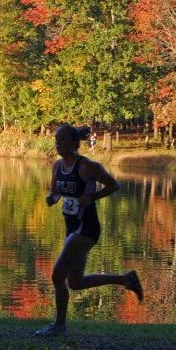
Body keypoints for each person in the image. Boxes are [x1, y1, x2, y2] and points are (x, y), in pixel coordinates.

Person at [35, 124, 143, 337]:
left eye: (61, 140)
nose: (57, 143)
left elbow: (113, 185)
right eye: (56, 139)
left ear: (73, 143)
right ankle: (125, 279)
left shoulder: (86, 167)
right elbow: (56, 192)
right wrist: (52, 199)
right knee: (75, 283)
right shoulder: (57, 167)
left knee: (57, 276)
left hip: (87, 228)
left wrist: (92, 196)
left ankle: (59, 326)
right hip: (71, 228)